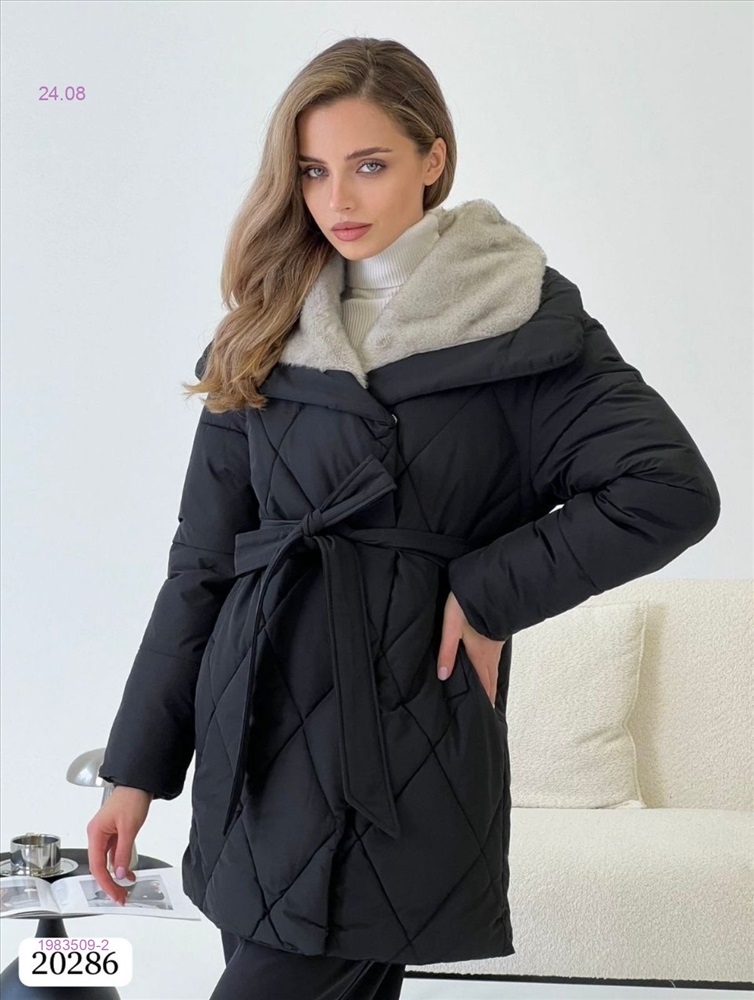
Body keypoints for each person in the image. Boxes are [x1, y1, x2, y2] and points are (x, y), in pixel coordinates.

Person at [86, 36, 721, 1000]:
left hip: (401, 732)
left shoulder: (522, 326)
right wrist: (134, 769)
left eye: (370, 165)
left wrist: (486, 591)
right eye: (313, 171)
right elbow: (202, 564)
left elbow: (668, 488)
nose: (337, 199)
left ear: (433, 159)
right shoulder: (263, 326)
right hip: (250, 731)